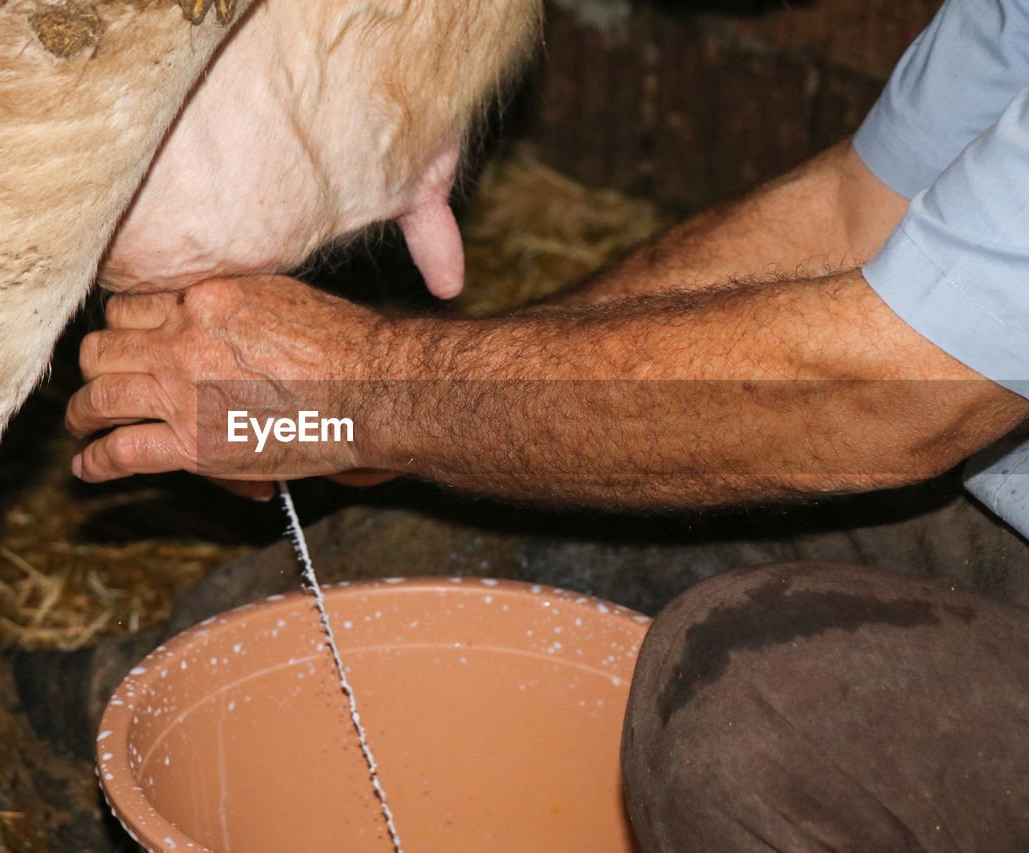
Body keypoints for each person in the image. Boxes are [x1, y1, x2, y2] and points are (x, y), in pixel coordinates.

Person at [67, 0, 1029, 847]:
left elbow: (892, 390)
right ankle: (97, 714)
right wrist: (390, 430)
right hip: (988, 475)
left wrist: (377, 396)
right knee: (410, 556)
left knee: (747, 725)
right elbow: (847, 214)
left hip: (932, 418)